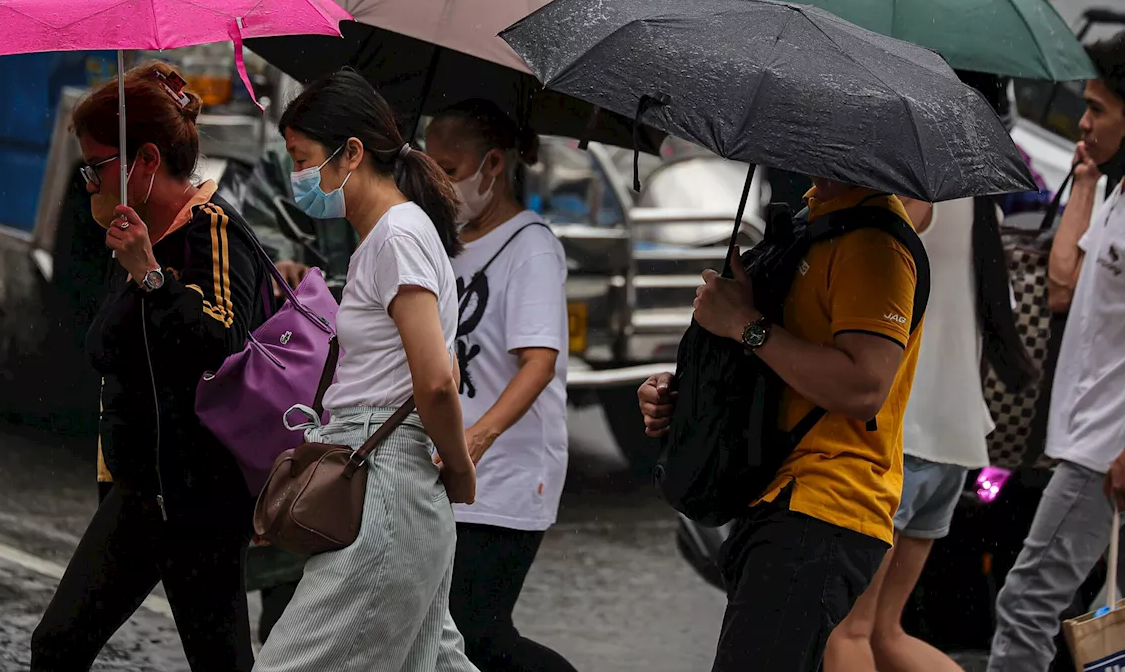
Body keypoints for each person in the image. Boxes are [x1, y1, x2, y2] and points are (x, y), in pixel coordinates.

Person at [31, 62, 269, 672]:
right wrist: (126, 257)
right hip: (141, 494)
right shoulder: (134, 234)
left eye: (97, 167)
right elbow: (101, 347)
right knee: (57, 645)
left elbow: (225, 342)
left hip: (200, 503)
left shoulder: (212, 231)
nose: (87, 181)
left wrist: (151, 277)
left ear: (145, 163)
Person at [639, 176, 923, 670]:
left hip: (824, 505)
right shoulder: (813, 220)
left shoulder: (876, 243)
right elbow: (779, 368)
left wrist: (744, 325)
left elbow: (864, 387)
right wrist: (684, 392)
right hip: (775, 493)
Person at [254, 68, 479, 672]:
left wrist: (459, 467)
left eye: (303, 160)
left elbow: (434, 379)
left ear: (351, 152)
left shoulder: (396, 236)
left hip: (384, 485)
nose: (299, 178)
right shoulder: (393, 236)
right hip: (388, 486)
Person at [823, 78, 1038, 672]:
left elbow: (895, 226)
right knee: (886, 634)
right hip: (954, 442)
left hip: (903, 441)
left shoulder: (919, 192)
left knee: (845, 635)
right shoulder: (974, 195)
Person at [987, 21, 1125, 672]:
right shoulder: (1124, 192)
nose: (1081, 124)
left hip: (1108, 449)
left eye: (1095, 111)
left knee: (1026, 603)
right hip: (1108, 445)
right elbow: (1064, 285)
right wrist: (1085, 181)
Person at [423, 101, 578, 672]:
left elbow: (539, 362)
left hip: (508, 470)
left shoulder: (529, 245)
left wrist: (480, 438)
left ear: (492, 164)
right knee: (441, 632)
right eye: (431, 168)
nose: (442, 183)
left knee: (477, 632)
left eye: (450, 168)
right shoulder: (452, 244)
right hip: (450, 467)